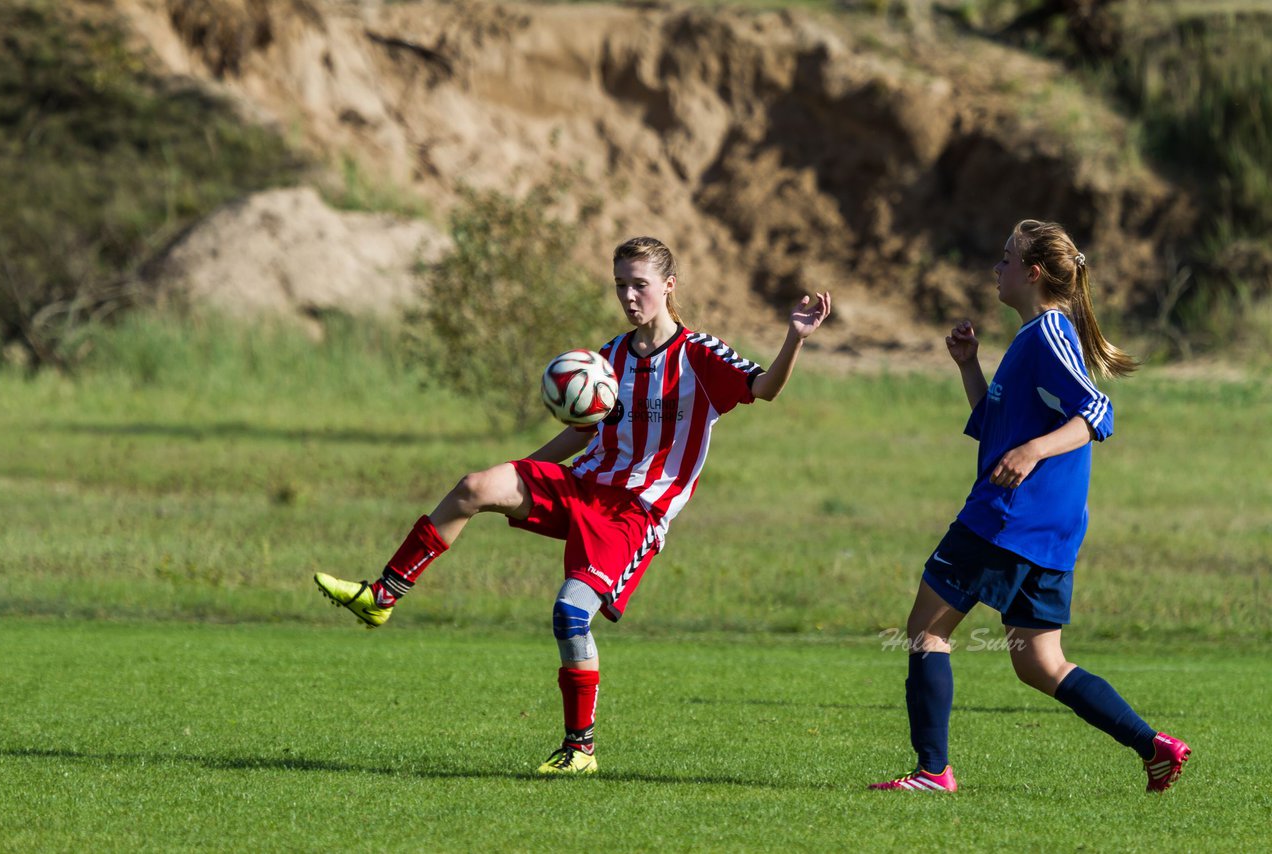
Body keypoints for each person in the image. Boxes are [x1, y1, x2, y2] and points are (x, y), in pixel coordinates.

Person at [315, 236, 831, 774]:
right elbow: (579, 436)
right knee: (473, 486)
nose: (629, 297)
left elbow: (765, 388)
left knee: (569, 613)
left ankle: (579, 749)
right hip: (583, 485)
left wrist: (793, 338)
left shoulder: (700, 354)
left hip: (634, 513)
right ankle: (382, 595)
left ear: (669, 286)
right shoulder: (606, 358)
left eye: (640, 285)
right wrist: (517, 475)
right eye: (620, 286)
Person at [868, 219, 1190, 794]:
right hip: (1047, 530)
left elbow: (1097, 412)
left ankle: (932, 772)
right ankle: (1156, 747)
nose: (998, 268)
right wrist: (970, 367)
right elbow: (996, 429)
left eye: (1007, 259)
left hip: (1009, 517)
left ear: (1033, 272)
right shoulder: (1030, 340)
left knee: (926, 632)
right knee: (1039, 664)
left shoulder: (1048, 336)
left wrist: (1034, 449)